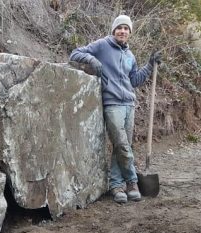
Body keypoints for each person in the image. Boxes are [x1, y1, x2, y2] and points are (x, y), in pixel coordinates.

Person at [69, 15, 161, 203]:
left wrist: (150, 65)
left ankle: (117, 186)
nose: (123, 31)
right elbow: (75, 53)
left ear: (129, 33)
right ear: (113, 30)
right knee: (121, 143)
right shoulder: (102, 45)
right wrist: (91, 60)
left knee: (123, 145)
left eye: (126, 29)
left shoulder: (129, 55)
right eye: (119, 27)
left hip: (129, 104)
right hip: (112, 103)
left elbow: (134, 80)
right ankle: (132, 181)